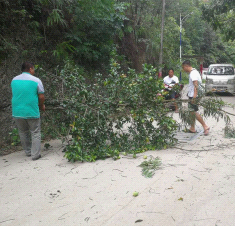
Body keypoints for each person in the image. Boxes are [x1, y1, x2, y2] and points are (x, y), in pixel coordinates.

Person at [11, 62, 45, 160]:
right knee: (35, 132)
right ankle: (35, 155)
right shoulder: (36, 80)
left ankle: (28, 152)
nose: (34, 71)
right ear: (30, 69)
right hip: (31, 111)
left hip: (17, 111)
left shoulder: (14, 80)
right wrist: (41, 105)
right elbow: (41, 96)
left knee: (23, 132)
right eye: (33, 69)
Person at [182, 60, 210, 135]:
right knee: (191, 112)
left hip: (194, 95)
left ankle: (205, 126)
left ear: (186, 66)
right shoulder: (194, 72)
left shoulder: (193, 73)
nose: (183, 69)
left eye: (183, 67)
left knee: (193, 112)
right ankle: (192, 128)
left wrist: (194, 97)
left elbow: (196, 85)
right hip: (193, 95)